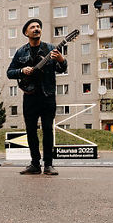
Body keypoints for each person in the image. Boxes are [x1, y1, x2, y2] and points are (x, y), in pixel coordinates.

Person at [7, 18, 67, 176]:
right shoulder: (21, 52)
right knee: (31, 131)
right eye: (32, 27)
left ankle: (48, 165)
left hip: (47, 96)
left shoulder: (51, 49)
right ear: (26, 32)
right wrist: (22, 71)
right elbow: (9, 72)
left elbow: (62, 69)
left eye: (38, 26)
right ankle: (35, 164)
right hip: (30, 96)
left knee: (47, 129)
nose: (36, 29)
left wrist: (61, 59)